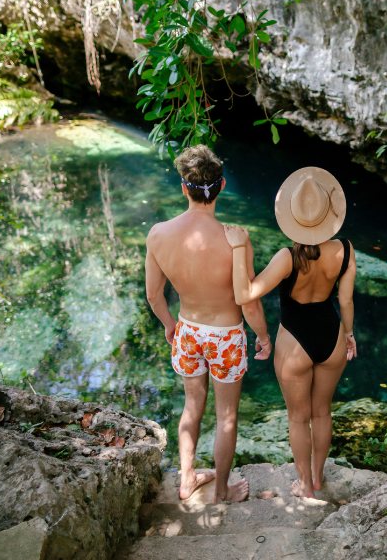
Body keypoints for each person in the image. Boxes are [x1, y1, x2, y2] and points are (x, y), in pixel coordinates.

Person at [145, 145, 271, 503]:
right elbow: (247, 301)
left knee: (191, 405)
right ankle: (220, 491)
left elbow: (154, 297)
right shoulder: (236, 238)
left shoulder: (158, 234)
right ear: (222, 186)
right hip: (227, 336)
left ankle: (186, 479)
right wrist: (262, 336)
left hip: (188, 329)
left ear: (184, 188)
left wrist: (170, 324)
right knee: (226, 415)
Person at [224, 166, 357, 498]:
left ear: (293, 219)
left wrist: (240, 248)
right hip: (332, 338)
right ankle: (316, 479)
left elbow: (245, 296)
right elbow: (346, 299)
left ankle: (304, 489)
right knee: (322, 412)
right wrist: (350, 335)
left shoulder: (287, 257)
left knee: (298, 419)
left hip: (294, 344)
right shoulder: (346, 250)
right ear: (330, 215)